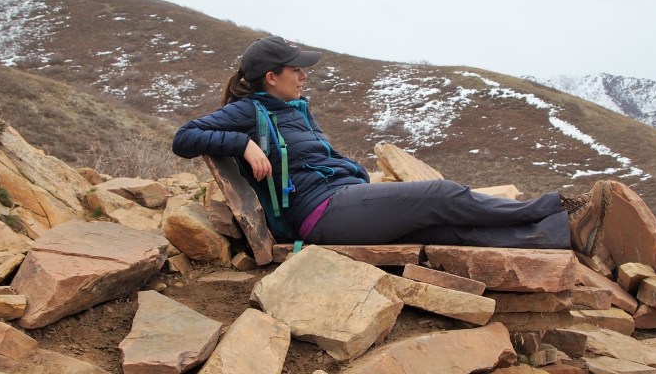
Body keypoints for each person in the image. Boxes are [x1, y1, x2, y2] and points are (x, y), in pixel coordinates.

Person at [172, 35, 588, 249]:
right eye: (295, 69)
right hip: (320, 214)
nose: (304, 75)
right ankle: (546, 207)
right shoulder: (249, 111)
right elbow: (185, 137)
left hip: (343, 198)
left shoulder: (295, 109)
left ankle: (555, 234)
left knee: (442, 228)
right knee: (439, 195)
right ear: (271, 77)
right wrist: (242, 145)